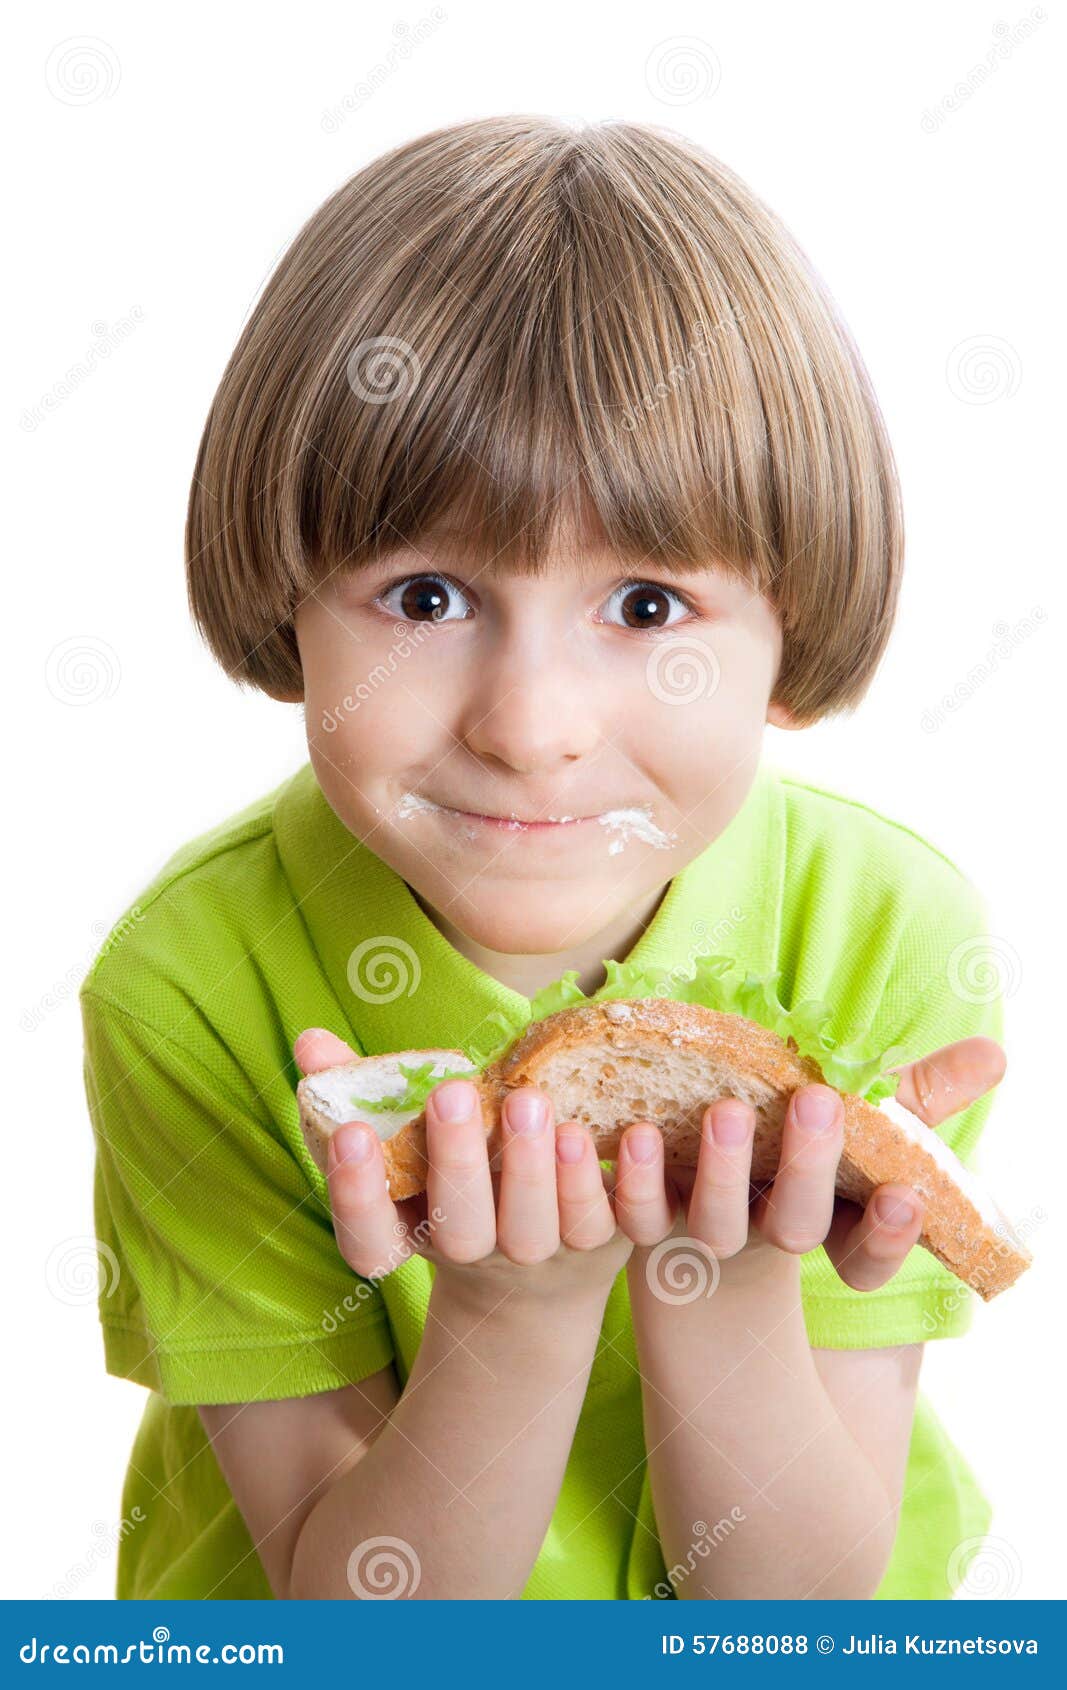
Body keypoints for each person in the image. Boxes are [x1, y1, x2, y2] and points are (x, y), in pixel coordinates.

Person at [80, 114, 1006, 1600]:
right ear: (289, 605)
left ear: (787, 631)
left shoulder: (883, 927)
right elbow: (364, 1628)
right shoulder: (191, 980)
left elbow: (797, 1621)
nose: (530, 726)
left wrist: (730, 1272)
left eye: (646, 607)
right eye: (428, 593)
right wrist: (511, 1320)